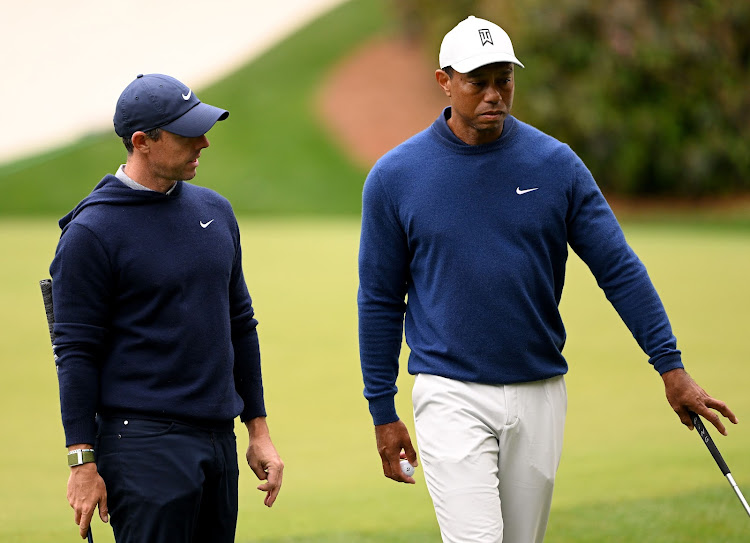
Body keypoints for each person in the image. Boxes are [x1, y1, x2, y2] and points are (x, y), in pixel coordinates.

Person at [357, 16, 737, 543]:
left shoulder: (556, 165)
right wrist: (383, 409)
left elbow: (618, 269)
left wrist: (670, 367)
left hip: (540, 391)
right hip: (450, 392)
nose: (495, 94)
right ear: (444, 80)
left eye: (504, 80)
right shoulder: (395, 178)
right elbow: (379, 299)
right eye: (478, 81)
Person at [50, 73, 284, 542]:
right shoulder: (91, 233)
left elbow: (240, 324)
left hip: (218, 440)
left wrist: (257, 428)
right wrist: (82, 461)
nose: (204, 142)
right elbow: (76, 352)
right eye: (187, 133)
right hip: (142, 447)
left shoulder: (216, 212)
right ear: (142, 142)